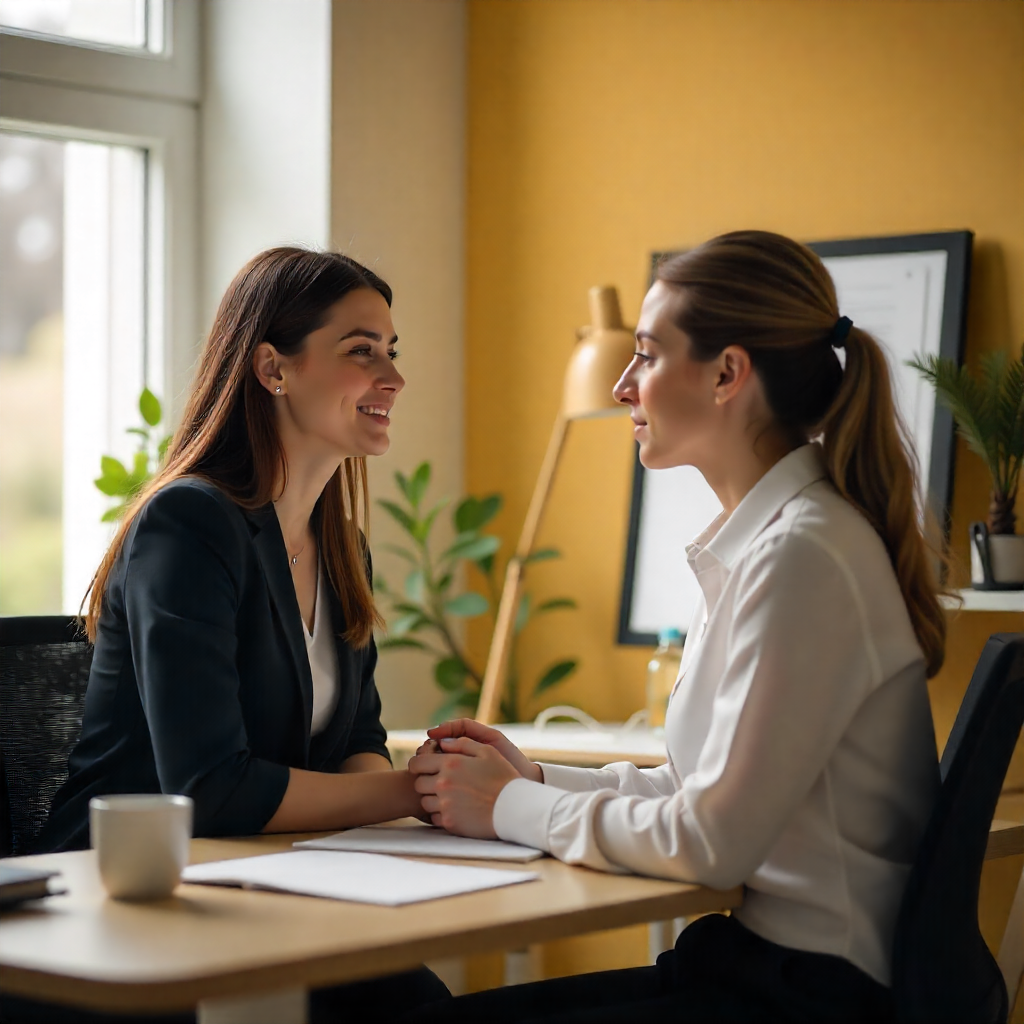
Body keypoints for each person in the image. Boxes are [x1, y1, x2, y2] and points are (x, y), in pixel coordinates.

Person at [407, 230, 946, 1023]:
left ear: (728, 373)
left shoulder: (803, 555)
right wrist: (531, 780)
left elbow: (708, 841)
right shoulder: (765, 544)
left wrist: (507, 809)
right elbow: (694, 790)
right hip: (758, 967)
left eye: (648, 356)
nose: (625, 385)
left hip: (813, 995)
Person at [16, 248, 450, 1023]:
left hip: (261, 885)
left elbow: (357, 736)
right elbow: (209, 788)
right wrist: (422, 791)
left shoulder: (343, 544)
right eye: (361, 352)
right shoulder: (190, 523)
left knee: (412, 1002)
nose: (392, 377)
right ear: (272, 369)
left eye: (392, 352)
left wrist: (402, 791)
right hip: (117, 908)